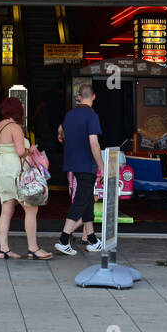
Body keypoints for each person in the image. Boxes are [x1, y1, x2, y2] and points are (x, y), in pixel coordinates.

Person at [0, 97, 52, 260]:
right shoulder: (15, 127)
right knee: (31, 209)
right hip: (15, 173)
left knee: (6, 210)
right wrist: (30, 150)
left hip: (0, 171)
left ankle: (3, 249)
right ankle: (33, 248)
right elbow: (20, 152)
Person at [54, 82, 104, 255]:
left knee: (88, 200)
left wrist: (61, 135)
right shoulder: (92, 116)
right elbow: (94, 143)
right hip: (86, 164)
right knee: (82, 201)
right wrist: (102, 167)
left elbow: (60, 129)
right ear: (94, 97)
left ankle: (92, 240)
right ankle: (63, 239)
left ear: (79, 97)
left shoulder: (70, 115)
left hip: (72, 164)